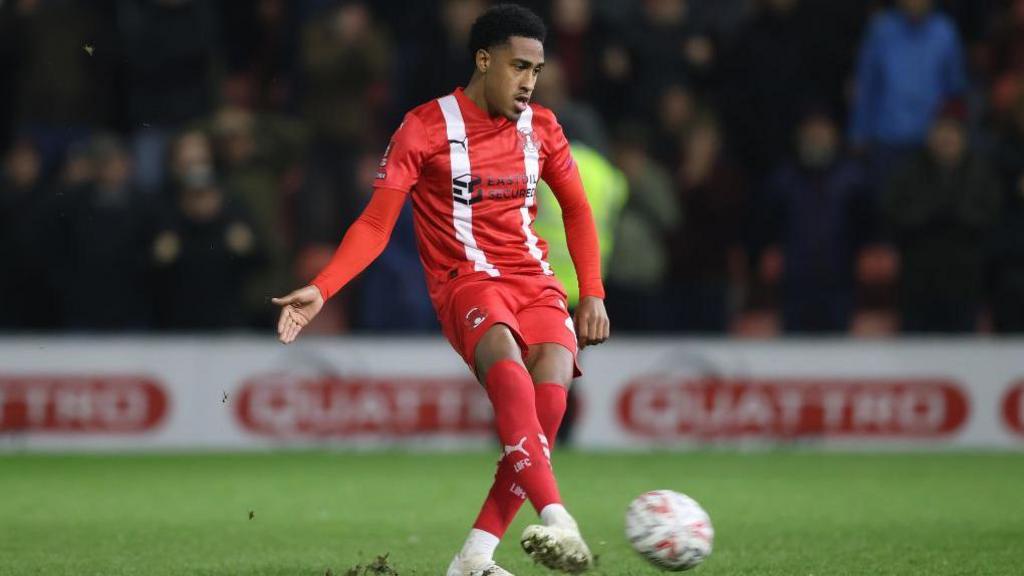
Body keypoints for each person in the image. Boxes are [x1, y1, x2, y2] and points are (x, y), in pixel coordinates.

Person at [271, 6, 608, 575]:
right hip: (467, 282)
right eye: (518, 66)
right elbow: (376, 225)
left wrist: (593, 293)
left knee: (550, 397)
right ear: (484, 60)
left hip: (535, 280)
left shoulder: (543, 127)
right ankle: (559, 519)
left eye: (537, 69)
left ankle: (474, 556)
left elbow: (576, 209)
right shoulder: (425, 127)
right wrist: (323, 288)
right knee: (505, 359)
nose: (529, 81)